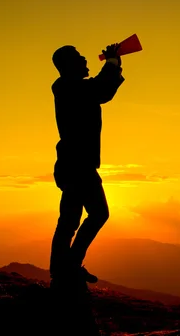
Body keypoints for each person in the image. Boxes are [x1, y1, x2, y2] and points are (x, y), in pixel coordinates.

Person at [48, 43, 124, 292]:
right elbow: (101, 90)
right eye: (80, 57)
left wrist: (113, 64)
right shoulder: (70, 88)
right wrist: (112, 62)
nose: (85, 59)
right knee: (96, 214)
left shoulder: (69, 87)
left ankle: (65, 268)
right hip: (78, 166)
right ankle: (67, 267)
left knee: (70, 220)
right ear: (69, 65)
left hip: (73, 165)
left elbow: (100, 90)